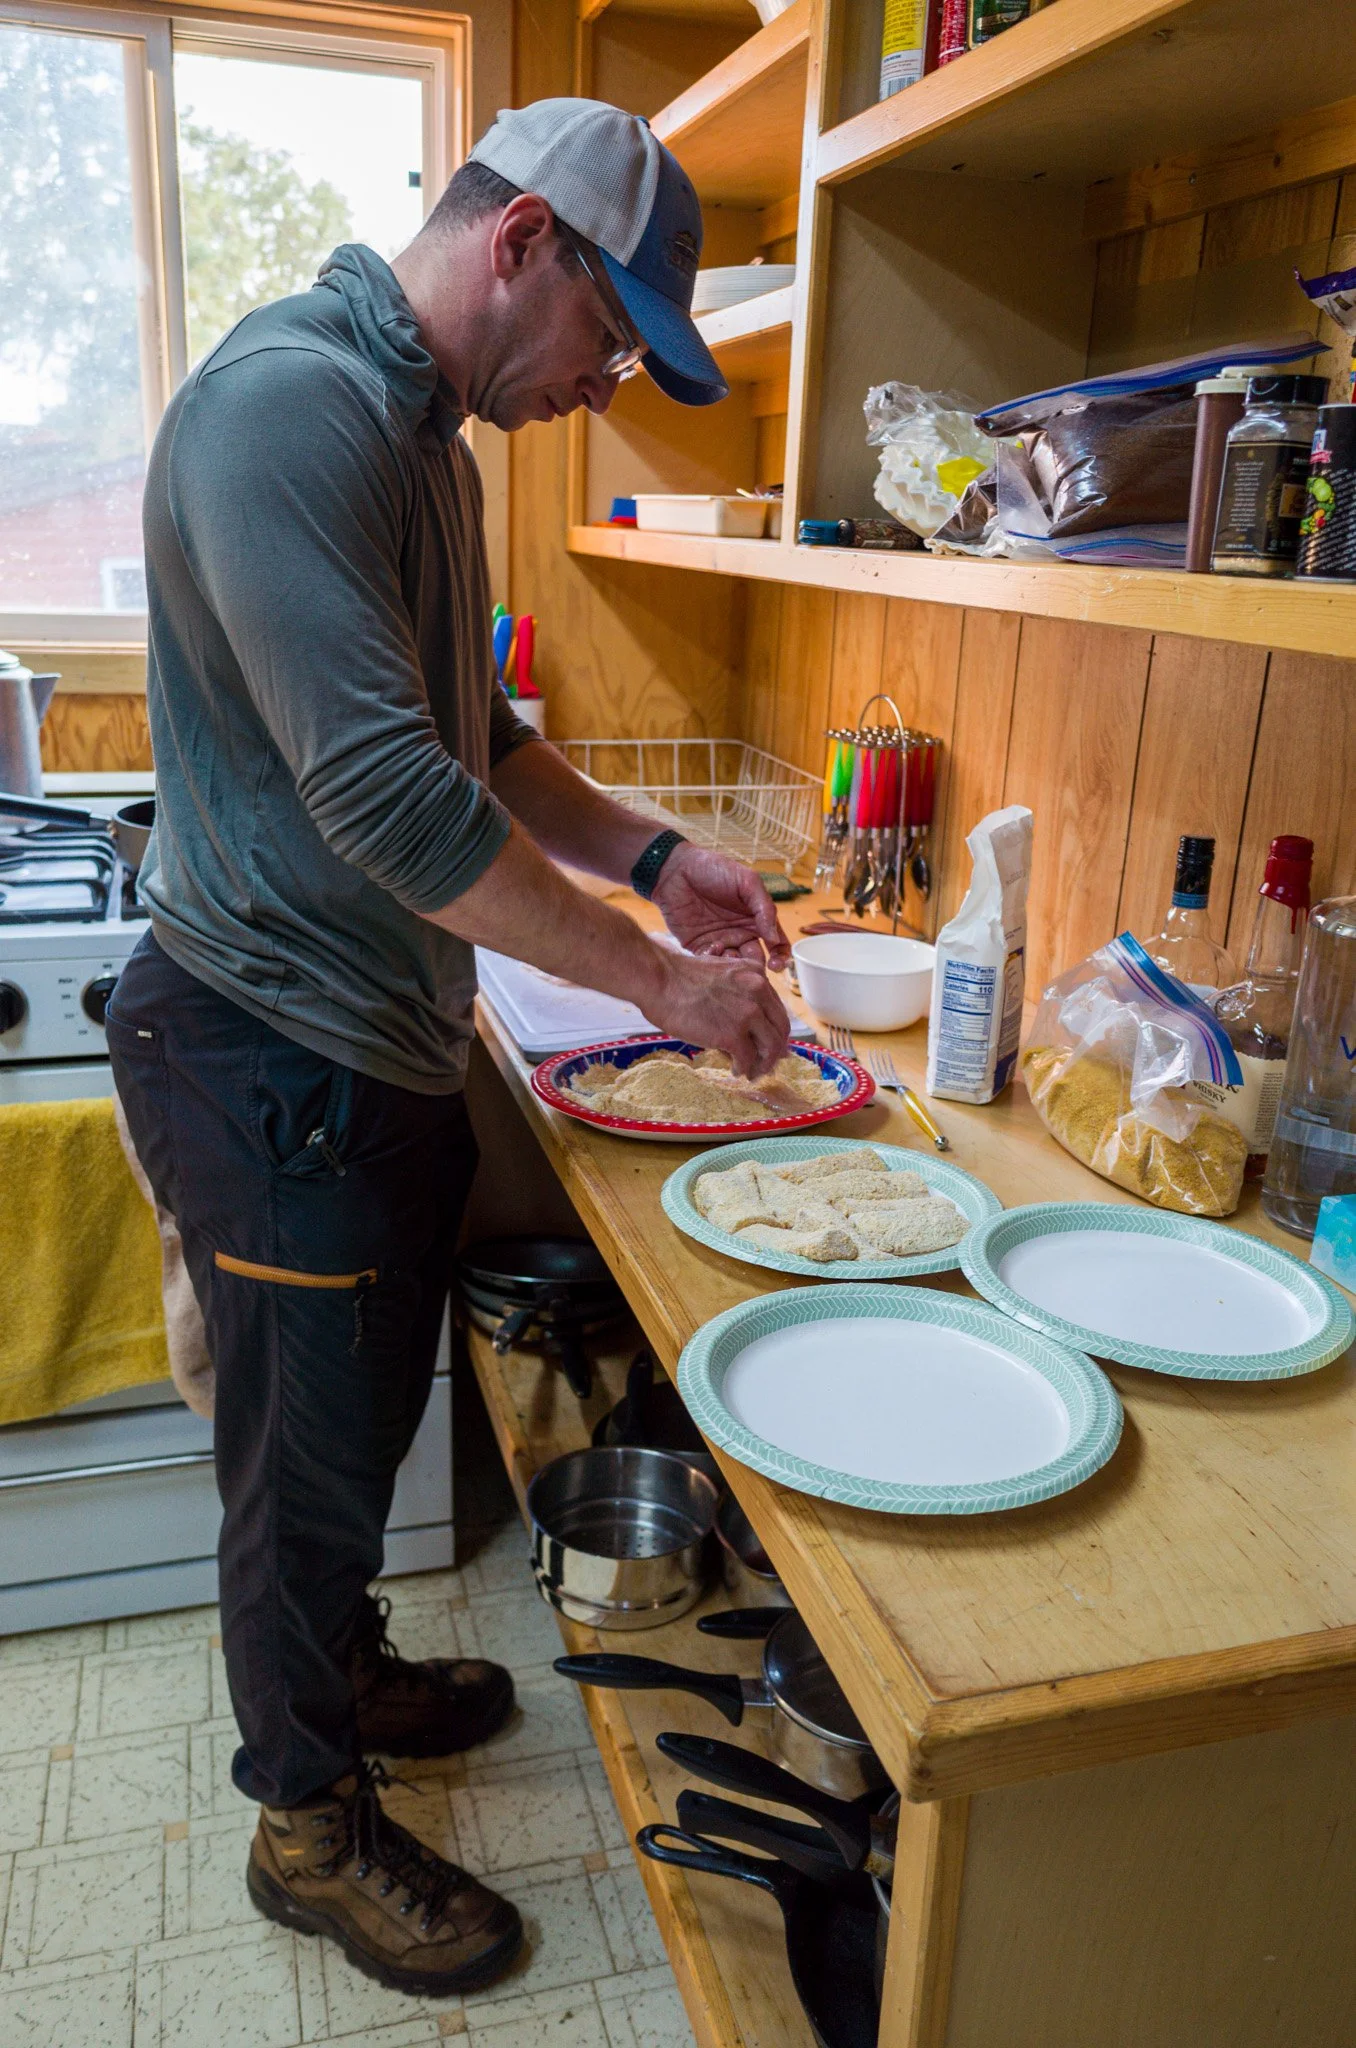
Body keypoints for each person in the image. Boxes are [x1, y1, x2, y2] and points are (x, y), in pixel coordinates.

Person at [107, 96, 792, 2001]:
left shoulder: (430, 435)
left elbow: (480, 742)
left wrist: (665, 860)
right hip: (266, 1048)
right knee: (294, 1471)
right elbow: (397, 813)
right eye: (613, 338)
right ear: (523, 249)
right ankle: (304, 1828)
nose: (611, 385)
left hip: (371, 1046)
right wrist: (662, 986)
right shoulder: (286, 413)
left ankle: (346, 1675)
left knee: (351, 1436)